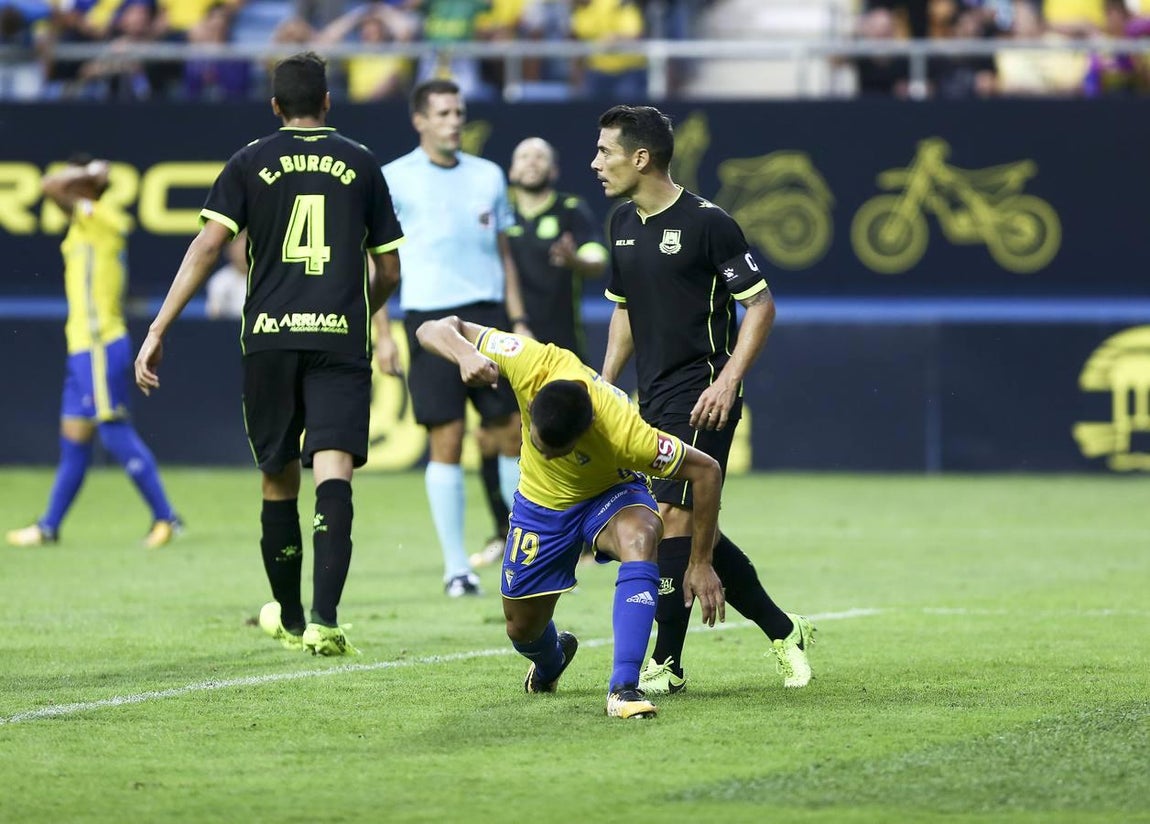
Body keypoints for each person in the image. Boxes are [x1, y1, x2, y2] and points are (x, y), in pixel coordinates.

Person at [134, 51, 403, 657]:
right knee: (334, 473)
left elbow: (207, 247)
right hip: (338, 335)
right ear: (329, 103)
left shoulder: (249, 161)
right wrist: (361, 304)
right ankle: (326, 620)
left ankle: (286, 616)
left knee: (277, 478)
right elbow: (388, 267)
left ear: (276, 106)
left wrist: (158, 327)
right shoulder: (361, 162)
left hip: (270, 338)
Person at [594, 104, 816, 694]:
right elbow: (624, 309)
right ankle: (782, 628)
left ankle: (665, 665)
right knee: (695, 531)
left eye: (605, 152)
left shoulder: (709, 223)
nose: (596, 163)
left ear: (641, 158)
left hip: (703, 395)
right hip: (651, 396)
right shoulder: (620, 223)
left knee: (671, 517)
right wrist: (606, 378)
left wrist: (728, 380)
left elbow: (760, 306)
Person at [416, 315, 727, 718]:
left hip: (608, 494)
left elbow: (707, 471)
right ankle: (551, 660)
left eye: (554, 451)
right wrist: (463, 355)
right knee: (521, 628)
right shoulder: (531, 362)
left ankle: (624, 688)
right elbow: (433, 328)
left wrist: (700, 562)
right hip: (540, 506)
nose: (543, 453)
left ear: (588, 432)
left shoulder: (626, 435)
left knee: (642, 534)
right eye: (539, 445)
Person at [378, 78, 529, 598]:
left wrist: (519, 317)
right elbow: (376, 263)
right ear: (420, 120)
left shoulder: (488, 175)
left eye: (459, 112)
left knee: (511, 433)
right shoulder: (394, 178)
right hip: (428, 321)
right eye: (442, 113)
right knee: (445, 440)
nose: (454, 121)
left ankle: (523, 555)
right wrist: (382, 333)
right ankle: (455, 568)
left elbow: (503, 255)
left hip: (487, 318)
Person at [6, 155, 182, 550]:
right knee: (74, 440)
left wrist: (87, 174)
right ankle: (48, 526)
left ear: (86, 189)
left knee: (113, 430)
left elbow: (50, 186)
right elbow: (56, 189)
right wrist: (86, 174)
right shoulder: (84, 221)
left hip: (101, 344)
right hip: (81, 346)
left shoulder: (101, 217)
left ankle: (165, 517)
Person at [469, 135, 608, 569]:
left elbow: (597, 256)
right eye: (523, 155)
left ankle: (583, 535)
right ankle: (505, 531)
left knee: (570, 434)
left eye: (540, 157)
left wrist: (576, 261)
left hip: (559, 347)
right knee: (493, 435)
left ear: (554, 169)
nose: (531, 163)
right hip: (501, 342)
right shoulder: (497, 211)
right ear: (512, 169)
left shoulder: (569, 211)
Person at [204, 230, 248, 319]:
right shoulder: (219, 281)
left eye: (246, 245)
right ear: (229, 250)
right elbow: (214, 316)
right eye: (237, 245)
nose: (242, 251)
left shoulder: (267, 277)